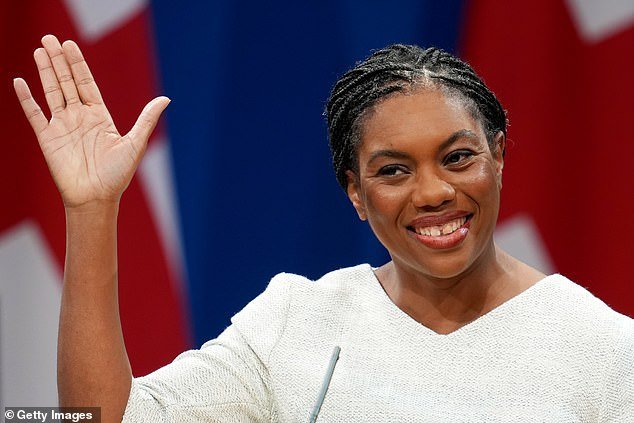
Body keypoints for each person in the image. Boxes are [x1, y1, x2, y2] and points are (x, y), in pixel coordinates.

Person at [14, 35, 633, 422]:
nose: (433, 193)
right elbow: (102, 419)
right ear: (356, 194)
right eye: (393, 170)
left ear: (497, 157)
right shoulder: (296, 322)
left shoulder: (605, 351)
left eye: (458, 157)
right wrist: (91, 210)